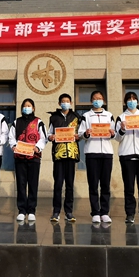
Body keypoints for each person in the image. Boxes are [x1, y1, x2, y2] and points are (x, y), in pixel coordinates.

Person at [115, 91, 139, 224]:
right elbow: (117, 138)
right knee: (129, 187)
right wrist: (122, 129)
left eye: (134, 99)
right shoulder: (121, 118)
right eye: (129, 99)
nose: (132, 101)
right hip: (127, 155)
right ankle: (130, 214)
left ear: (137, 101)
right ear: (125, 102)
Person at [78, 90, 116, 223]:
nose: (97, 100)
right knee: (93, 184)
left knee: (105, 184)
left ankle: (105, 212)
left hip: (107, 153)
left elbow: (115, 134)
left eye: (99, 98)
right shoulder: (86, 116)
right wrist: (86, 133)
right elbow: (80, 133)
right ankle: (95, 212)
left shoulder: (109, 115)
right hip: (92, 153)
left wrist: (112, 133)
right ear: (91, 101)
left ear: (103, 100)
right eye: (95, 98)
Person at [9, 98, 47, 222]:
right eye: (25, 106)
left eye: (29, 106)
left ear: (33, 108)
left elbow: (43, 137)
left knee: (33, 184)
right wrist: (13, 146)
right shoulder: (17, 122)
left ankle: (31, 210)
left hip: (34, 158)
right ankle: (21, 210)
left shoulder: (38, 122)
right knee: (20, 184)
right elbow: (11, 137)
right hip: (19, 157)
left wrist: (38, 147)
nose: (27, 108)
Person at [47, 93, 82, 222]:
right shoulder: (54, 118)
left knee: (69, 184)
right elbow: (49, 133)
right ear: (59, 103)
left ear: (71, 103)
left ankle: (69, 211)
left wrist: (79, 136)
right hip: (58, 154)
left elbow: (81, 133)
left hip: (71, 154)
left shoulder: (76, 117)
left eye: (67, 101)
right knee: (58, 184)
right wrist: (51, 137)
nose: (65, 103)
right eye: (63, 101)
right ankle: (56, 211)